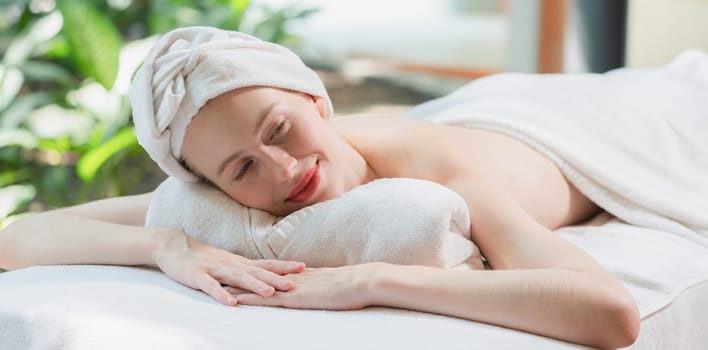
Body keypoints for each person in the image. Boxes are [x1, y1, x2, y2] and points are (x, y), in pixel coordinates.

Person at [0, 26, 660, 349]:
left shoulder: (432, 165)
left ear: (317, 98)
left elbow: (609, 312)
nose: (283, 171)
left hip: (568, 125)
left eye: (279, 128)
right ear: (213, 185)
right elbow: (19, 239)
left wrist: (370, 280)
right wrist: (164, 245)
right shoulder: (233, 197)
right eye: (240, 169)